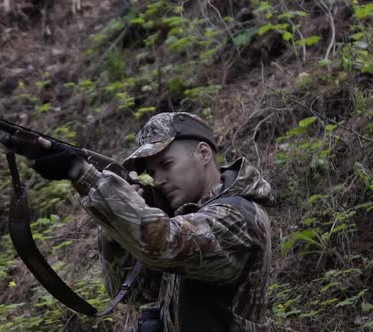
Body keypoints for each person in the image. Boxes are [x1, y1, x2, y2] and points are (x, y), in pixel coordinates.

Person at [28, 112, 273, 332]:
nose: (160, 181)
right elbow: (133, 292)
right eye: (153, 173)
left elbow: (166, 243)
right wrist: (117, 227)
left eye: (167, 165)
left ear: (203, 153)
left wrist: (85, 176)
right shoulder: (188, 216)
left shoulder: (238, 216)